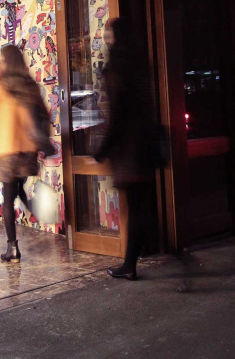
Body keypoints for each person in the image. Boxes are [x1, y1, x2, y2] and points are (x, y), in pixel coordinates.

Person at [95, 17, 159, 281]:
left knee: (136, 206)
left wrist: (103, 147)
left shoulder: (117, 66)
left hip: (129, 148)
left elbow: (118, 112)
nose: (105, 37)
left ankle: (130, 264)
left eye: (109, 32)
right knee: (141, 205)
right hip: (145, 143)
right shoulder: (141, 62)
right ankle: (134, 258)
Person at [0, 44, 47, 263]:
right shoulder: (30, 85)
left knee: (8, 197)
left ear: (5, 63)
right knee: (18, 186)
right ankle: (27, 200)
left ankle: (12, 248)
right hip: (28, 149)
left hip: (7, 148)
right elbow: (42, 114)